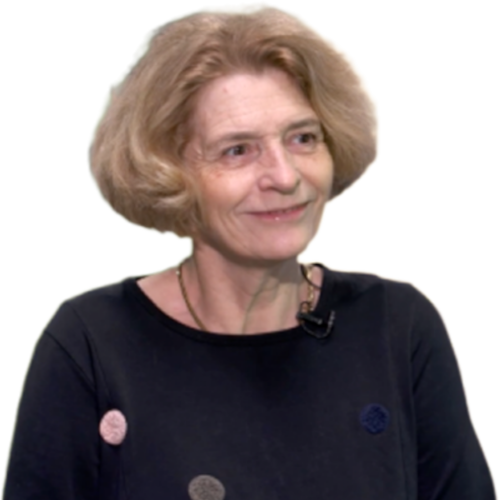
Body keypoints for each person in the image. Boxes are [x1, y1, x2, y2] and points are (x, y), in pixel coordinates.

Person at [2, 3, 496, 499]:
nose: (285, 176)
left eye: (303, 138)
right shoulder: (92, 344)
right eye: (238, 150)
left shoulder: (397, 325)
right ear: (168, 173)